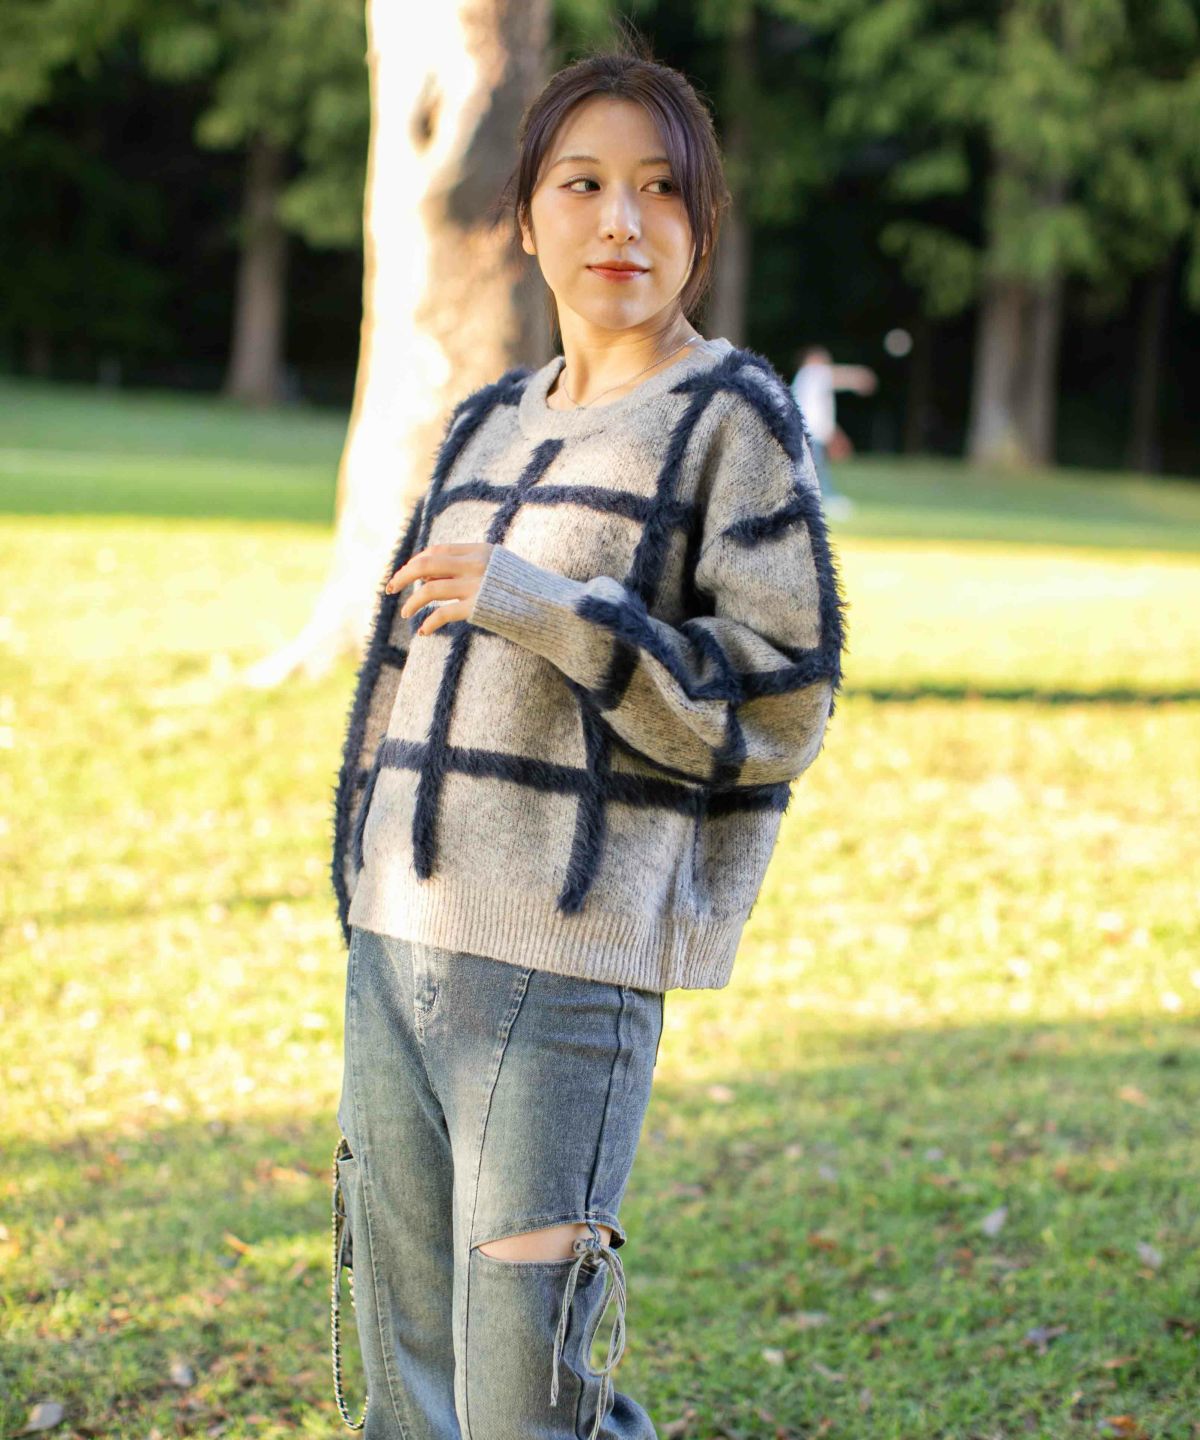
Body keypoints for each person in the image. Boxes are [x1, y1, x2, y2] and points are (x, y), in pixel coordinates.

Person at [328, 38, 848, 1440]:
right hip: (397, 944)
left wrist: (551, 608)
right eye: (583, 182)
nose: (623, 220)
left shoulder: (732, 419)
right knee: (407, 1382)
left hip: (564, 970)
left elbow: (780, 703)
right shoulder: (484, 425)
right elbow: (398, 680)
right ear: (527, 214)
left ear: (702, 222)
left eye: (661, 188)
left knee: (523, 1400)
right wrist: (360, 884)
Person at [789, 345, 877, 520]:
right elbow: (838, 376)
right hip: (806, 433)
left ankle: (820, 500)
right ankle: (829, 500)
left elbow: (820, 415)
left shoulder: (810, 381)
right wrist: (859, 377)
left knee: (812, 468)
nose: (825, 363)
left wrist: (835, 435)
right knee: (814, 468)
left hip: (807, 433)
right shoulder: (810, 373)